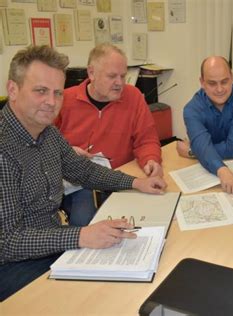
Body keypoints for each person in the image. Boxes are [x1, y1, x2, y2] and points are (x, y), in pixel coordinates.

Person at [0, 45, 167, 301]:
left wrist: (136, 182)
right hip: (12, 267)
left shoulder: (48, 134)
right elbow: (9, 242)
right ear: (13, 90)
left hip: (53, 249)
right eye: (40, 91)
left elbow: (83, 171)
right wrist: (81, 235)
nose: (52, 102)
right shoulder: (4, 149)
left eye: (57, 93)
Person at [55, 43, 163, 226]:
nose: (120, 83)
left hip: (124, 176)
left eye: (123, 76)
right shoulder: (63, 100)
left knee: (151, 217)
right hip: (82, 184)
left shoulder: (134, 97)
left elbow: (147, 139)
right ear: (91, 73)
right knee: (86, 223)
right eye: (112, 76)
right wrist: (66, 152)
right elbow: (43, 145)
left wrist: (151, 160)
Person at [176, 56, 233, 196]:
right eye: (212, 83)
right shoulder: (191, 110)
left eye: (224, 81)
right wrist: (222, 170)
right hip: (212, 173)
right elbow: (202, 143)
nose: (219, 89)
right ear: (202, 82)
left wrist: (193, 151)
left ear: (232, 77)